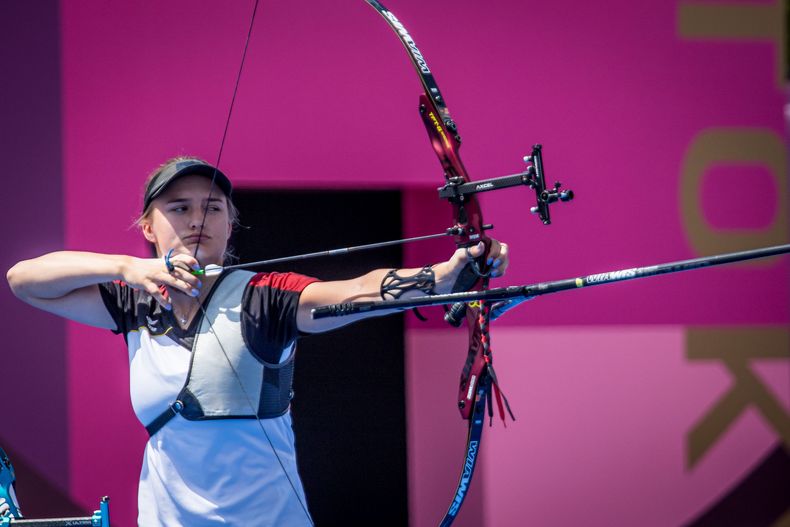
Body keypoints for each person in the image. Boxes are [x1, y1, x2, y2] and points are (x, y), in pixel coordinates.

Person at [6, 157, 509, 526]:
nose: (197, 219)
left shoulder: (265, 298)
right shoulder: (136, 301)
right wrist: (126, 266)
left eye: (213, 208)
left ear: (231, 224)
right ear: (148, 228)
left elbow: (357, 291)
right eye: (178, 208)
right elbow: (24, 279)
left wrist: (446, 274)